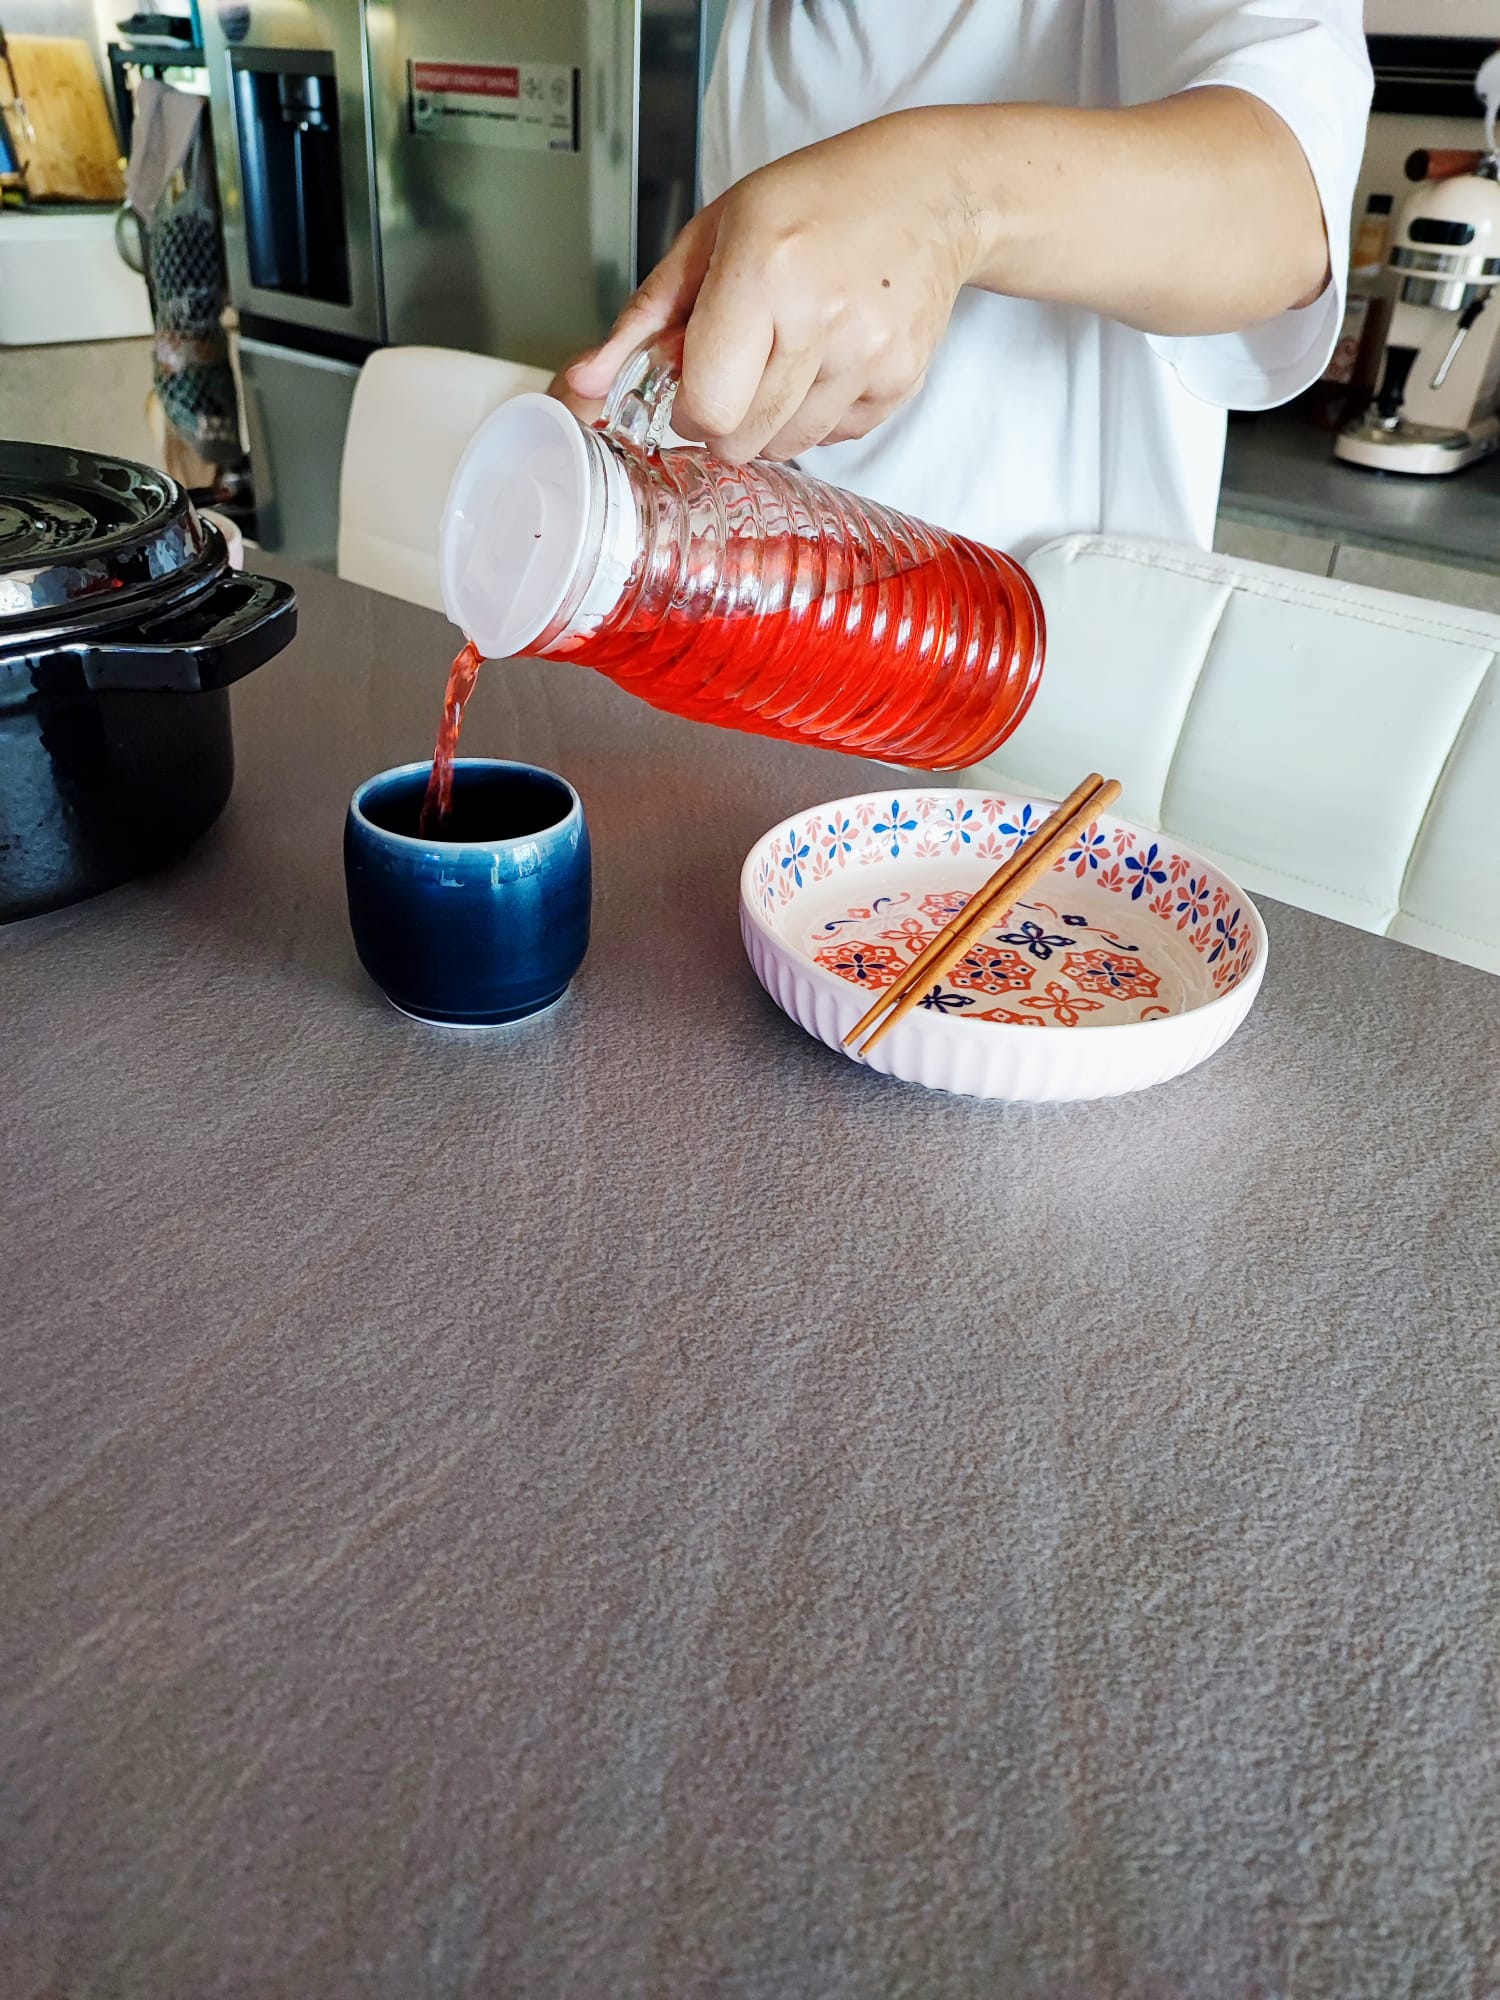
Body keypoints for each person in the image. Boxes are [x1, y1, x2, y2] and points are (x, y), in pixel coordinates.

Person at [558, 1, 1372, 559]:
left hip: (1041, 686)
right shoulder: (757, 23)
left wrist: (947, 204)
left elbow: (1283, 206)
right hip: (802, 670)